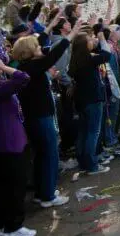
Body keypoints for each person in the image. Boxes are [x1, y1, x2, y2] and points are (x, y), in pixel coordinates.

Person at [12, 16, 80, 208]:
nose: (40, 47)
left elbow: (44, 46)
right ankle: (48, 195)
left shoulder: (28, 66)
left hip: (36, 117)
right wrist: (72, 33)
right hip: (40, 118)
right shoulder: (33, 67)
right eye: (36, 47)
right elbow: (54, 54)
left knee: (43, 154)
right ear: (29, 52)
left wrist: (49, 27)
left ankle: (43, 192)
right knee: (50, 153)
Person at [0, 55, 35, 236]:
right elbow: (23, 77)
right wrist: (6, 68)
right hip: (9, 144)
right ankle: (13, 226)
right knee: (15, 186)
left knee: (0, 188)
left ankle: (0, 226)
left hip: (1, 143)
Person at [69, 30, 112, 173]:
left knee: (84, 132)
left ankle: (83, 162)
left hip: (81, 100)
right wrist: (101, 39)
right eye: (89, 39)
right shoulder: (89, 59)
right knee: (93, 132)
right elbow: (107, 55)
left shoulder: (76, 60)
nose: (92, 41)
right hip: (93, 99)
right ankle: (92, 165)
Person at [49, 15, 76, 154]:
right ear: (61, 27)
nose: (69, 24)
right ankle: (67, 145)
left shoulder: (62, 42)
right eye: (66, 22)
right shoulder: (60, 44)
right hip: (64, 86)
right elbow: (59, 69)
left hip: (66, 84)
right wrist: (69, 83)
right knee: (67, 116)